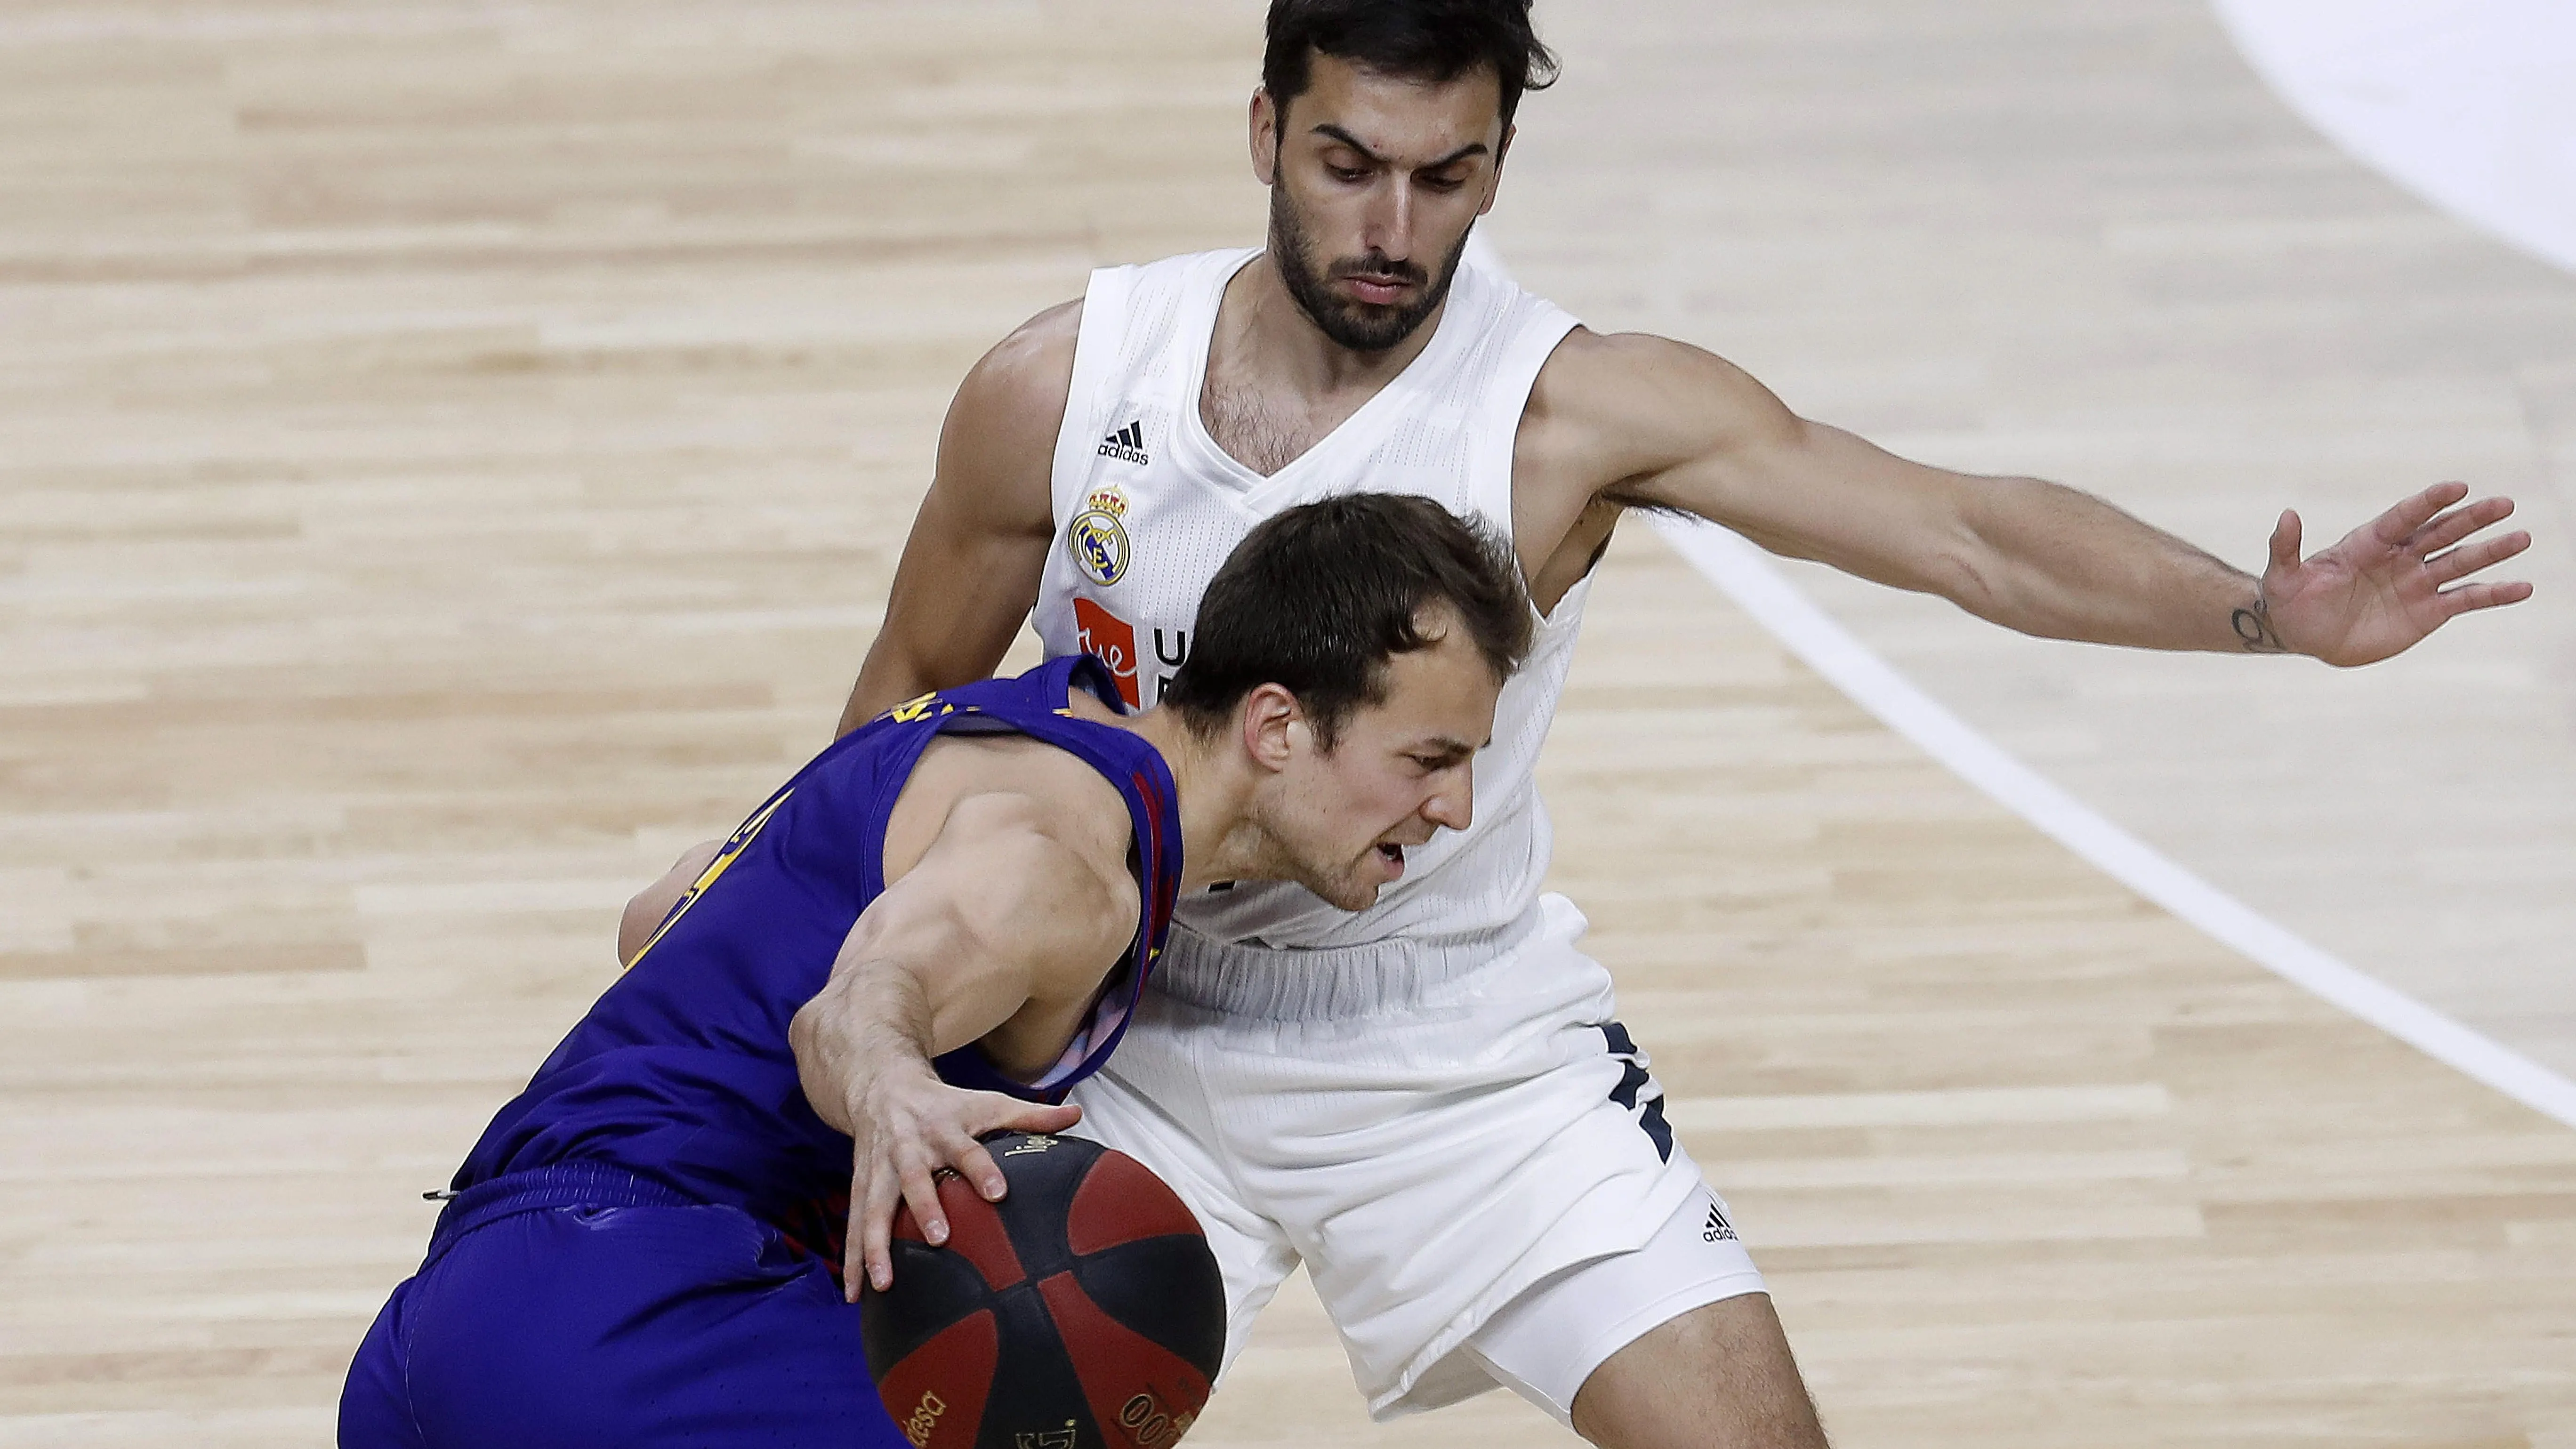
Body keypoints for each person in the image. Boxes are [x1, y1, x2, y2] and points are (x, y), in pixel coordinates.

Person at [832, 2, 2539, 1445]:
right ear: (1266, 128)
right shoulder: (1067, 386)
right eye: (1348, 165)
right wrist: (821, 1022)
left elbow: (1962, 531)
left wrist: (2263, 609)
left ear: (1500, 162)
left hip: (1452, 1039)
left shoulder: (1578, 408)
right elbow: (886, 728)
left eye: (1448, 178)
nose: (1391, 230)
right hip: (1106, 1016)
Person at [335, 494, 1536, 1449]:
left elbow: (658, 920)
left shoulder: (998, 730)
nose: (1458, 804)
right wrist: (890, 1078)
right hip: (633, 1323)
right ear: (1277, 727)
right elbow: (849, 1010)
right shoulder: (1069, 862)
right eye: (1429, 756)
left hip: (456, 1323)